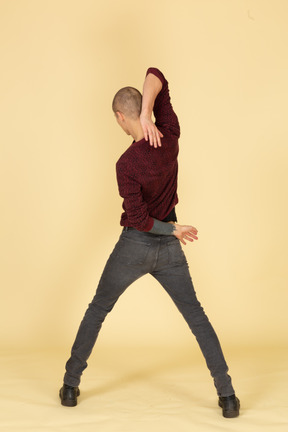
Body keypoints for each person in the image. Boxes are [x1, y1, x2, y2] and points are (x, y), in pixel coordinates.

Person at [59, 68, 240, 418]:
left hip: (136, 247)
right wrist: (173, 231)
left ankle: (69, 385)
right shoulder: (169, 133)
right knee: (197, 318)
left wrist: (170, 231)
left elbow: (139, 219)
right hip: (170, 248)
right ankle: (228, 396)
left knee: (98, 309)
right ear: (143, 109)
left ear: (119, 116)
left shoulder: (125, 164)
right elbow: (157, 74)